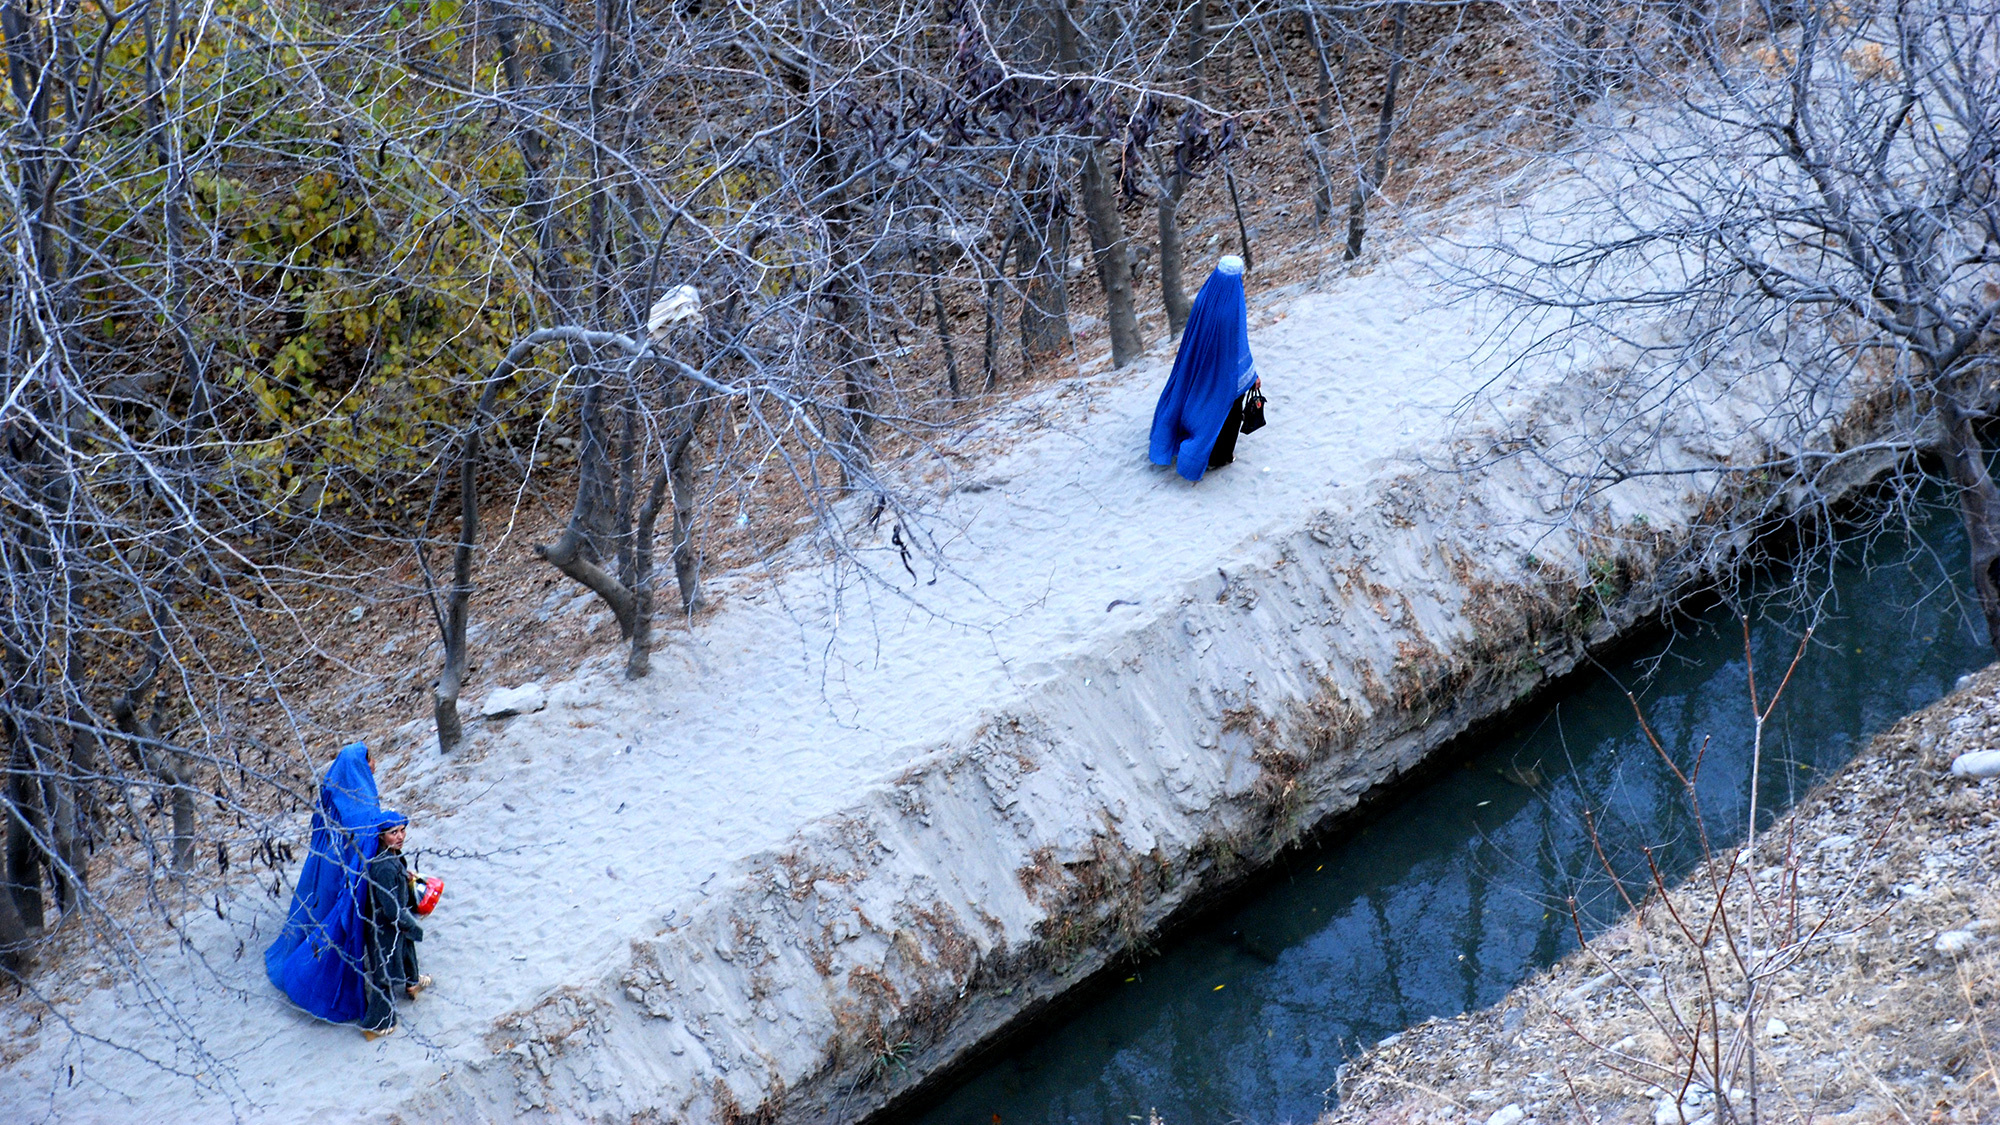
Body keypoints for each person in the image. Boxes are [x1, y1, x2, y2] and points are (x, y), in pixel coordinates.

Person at [265, 742, 396, 1026]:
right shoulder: (363, 803)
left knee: (315, 912)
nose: (374, 766)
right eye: (371, 761)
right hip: (344, 871)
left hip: (323, 864)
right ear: (363, 765)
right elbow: (368, 843)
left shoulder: (333, 787)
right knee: (336, 926)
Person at [1148, 255, 1262, 482]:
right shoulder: (1232, 309)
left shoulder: (1204, 297)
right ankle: (1219, 458)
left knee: (1194, 400)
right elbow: (1237, 347)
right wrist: (1252, 376)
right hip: (1221, 373)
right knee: (1226, 413)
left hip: (1196, 364)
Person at [360, 814, 429, 1040]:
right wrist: (413, 925)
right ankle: (377, 1025)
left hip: (396, 923)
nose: (400, 837)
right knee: (385, 973)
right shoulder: (383, 867)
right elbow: (391, 911)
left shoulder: (392, 856)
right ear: (381, 836)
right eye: (393, 833)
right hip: (384, 928)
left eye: (402, 830)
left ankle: (412, 982)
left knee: (407, 948)